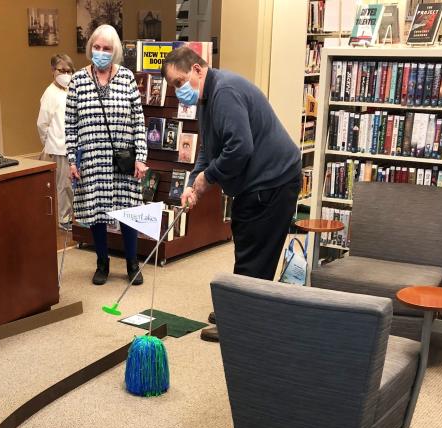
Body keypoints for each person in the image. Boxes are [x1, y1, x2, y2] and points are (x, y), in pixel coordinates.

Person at [162, 47, 302, 341]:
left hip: (273, 181)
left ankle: (240, 324)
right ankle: (239, 308)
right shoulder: (207, 98)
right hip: (261, 181)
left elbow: (240, 148)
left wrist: (207, 178)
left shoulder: (224, 92)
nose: (178, 91)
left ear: (198, 70)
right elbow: (209, 149)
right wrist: (193, 183)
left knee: (254, 252)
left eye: (179, 82)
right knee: (247, 240)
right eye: (173, 86)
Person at [65, 24, 148, 285]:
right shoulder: (78, 80)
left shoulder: (126, 78)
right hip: (91, 159)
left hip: (123, 158)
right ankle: (102, 262)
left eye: (107, 49)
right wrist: (71, 159)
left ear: (115, 52)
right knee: (96, 212)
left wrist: (141, 156)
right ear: (91, 48)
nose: (101, 52)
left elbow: (138, 120)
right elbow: (70, 124)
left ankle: (133, 263)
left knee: (128, 210)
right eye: (97, 47)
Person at [37, 53, 75, 230]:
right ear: (53, 71)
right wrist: (49, 144)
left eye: (69, 70)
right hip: (59, 148)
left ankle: (76, 217)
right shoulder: (49, 94)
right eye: (62, 70)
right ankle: (64, 219)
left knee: (74, 185)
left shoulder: (72, 90)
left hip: (75, 146)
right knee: (64, 185)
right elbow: (42, 124)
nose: (66, 74)